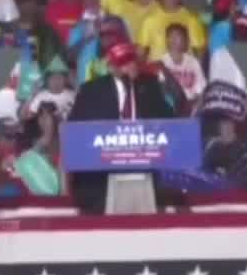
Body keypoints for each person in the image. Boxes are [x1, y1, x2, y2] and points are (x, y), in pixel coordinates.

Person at [69, 41, 173, 213]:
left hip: (145, 164)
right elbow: (76, 133)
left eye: (132, 60)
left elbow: (169, 121)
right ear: (111, 68)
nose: (130, 66)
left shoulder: (149, 86)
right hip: (101, 175)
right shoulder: (91, 91)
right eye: (124, 63)